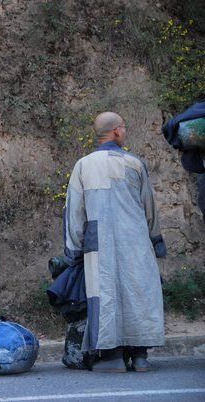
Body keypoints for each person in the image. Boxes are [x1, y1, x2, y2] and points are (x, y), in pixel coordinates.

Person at [63, 112, 166, 373]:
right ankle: (140, 356)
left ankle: (112, 357)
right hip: (136, 240)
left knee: (105, 297)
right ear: (117, 131)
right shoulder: (134, 164)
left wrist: (73, 249)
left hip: (99, 244)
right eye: (124, 127)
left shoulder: (83, 166)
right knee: (137, 293)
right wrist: (155, 239)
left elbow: (74, 213)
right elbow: (149, 208)